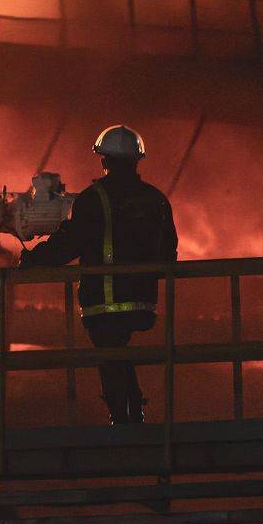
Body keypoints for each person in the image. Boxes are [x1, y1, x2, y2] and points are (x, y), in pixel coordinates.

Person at [20, 125, 179, 424]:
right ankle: (134, 413)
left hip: (103, 302)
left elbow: (70, 243)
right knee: (117, 349)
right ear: (136, 160)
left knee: (109, 353)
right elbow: (169, 253)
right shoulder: (156, 199)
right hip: (143, 301)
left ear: (103, 160)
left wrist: (32, 260)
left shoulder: (94, 199)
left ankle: (124, 419)